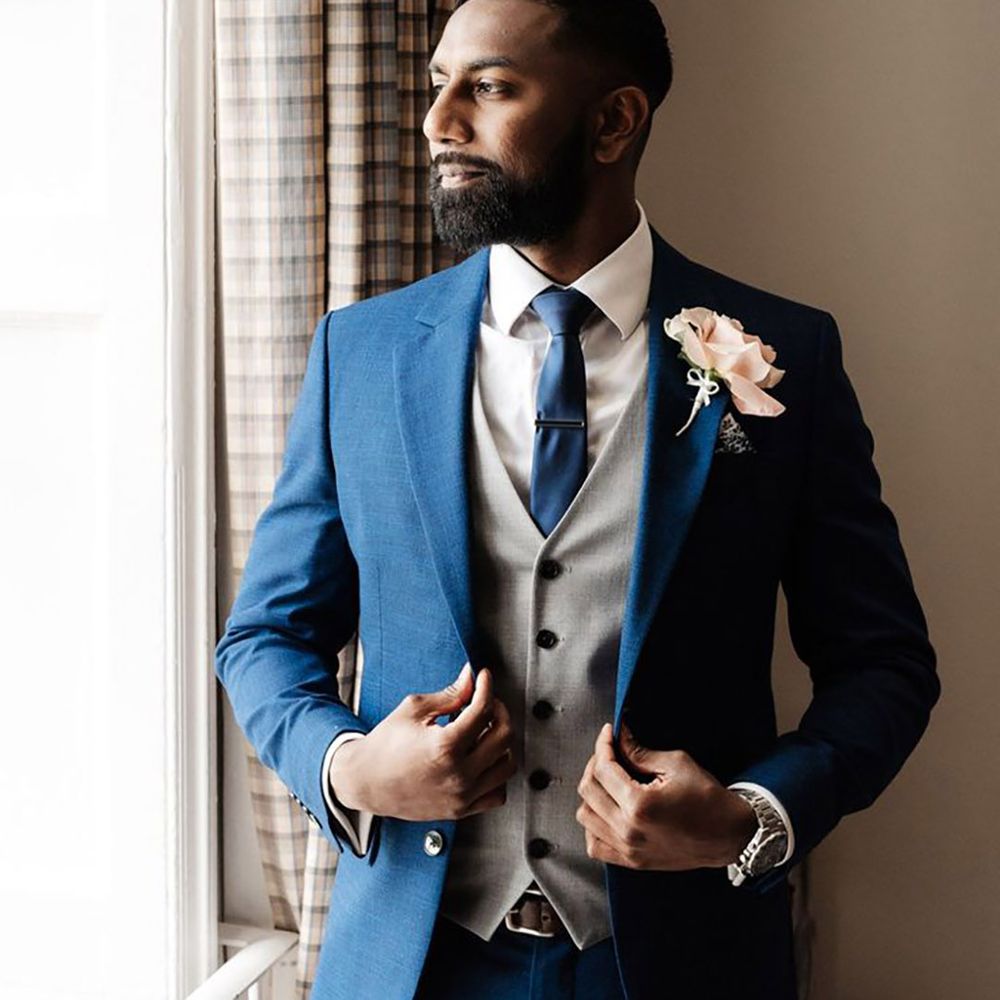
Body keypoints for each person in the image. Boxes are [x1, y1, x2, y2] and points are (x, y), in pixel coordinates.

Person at [214, 1, 940, 997]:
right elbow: (264, 638)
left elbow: (884, 665)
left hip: (682, 963)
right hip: (413, 963)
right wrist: (350, 768)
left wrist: (749, 816)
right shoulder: (364, 353)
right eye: (437, 84)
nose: (438, 122)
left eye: (490, 87)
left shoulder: (784, 358)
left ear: (612, 121)